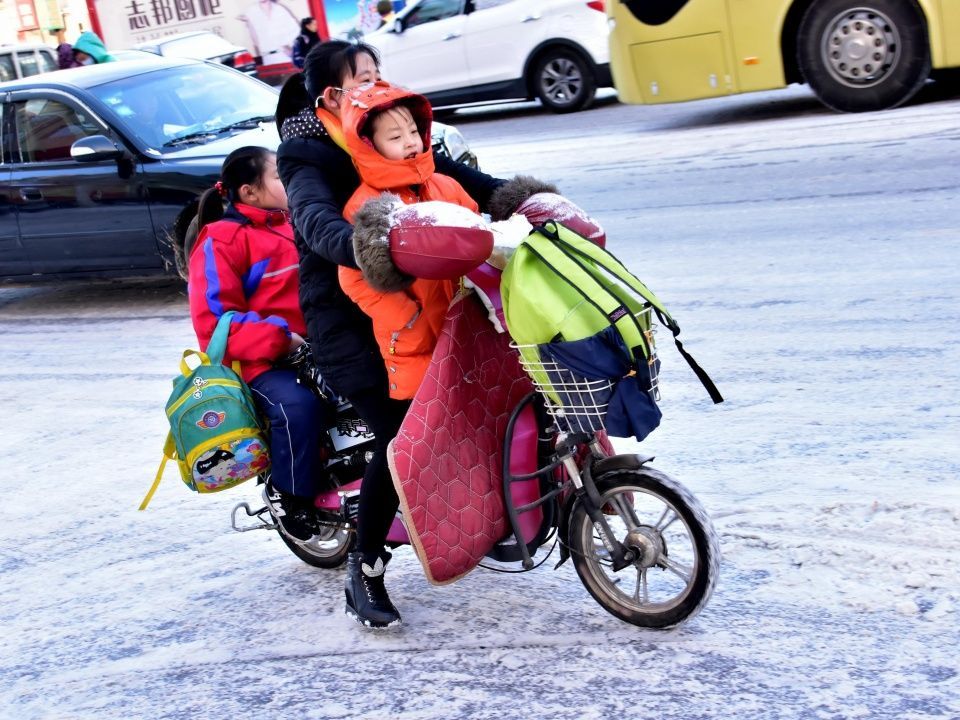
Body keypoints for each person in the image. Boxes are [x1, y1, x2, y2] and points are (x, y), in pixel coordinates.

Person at [275, 40, 561, 630]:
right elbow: (314, 219)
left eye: (379, 74)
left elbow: (456, 177)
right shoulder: (307, 153)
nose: (376, 86)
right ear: (331, 94)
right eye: (362, 79)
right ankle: (366, 566)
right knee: (401, 436)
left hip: (431, 299)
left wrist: (530, 202)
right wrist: (371, 246)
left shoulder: (392, 130)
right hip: (351, 316)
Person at [187, 146, 331, 543]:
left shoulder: (297, 221)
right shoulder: (221, 241)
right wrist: (281, 340)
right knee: (297, 407)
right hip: (264, 364)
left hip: (324, 342)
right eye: (279, 177)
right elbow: (215, 323)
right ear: (249, 192)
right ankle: (290, 495)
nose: (289, 182)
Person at [338, 83, 478, 404]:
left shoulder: (445, 186)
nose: (410, 142)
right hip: (417, 339)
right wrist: (407, 317)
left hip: (466, 323)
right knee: (434, 428)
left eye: (413, 132)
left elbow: (476, 233)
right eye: (395, 138)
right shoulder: (368, 205)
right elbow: (354, 277)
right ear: (369, 146)